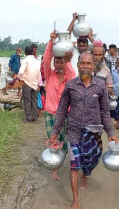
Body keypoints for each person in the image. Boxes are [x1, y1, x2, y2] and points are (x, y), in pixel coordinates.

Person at [49, 52, 118, 209]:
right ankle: (75, 200)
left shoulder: (100, 86)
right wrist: (55, 131)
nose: (86, 66)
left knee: (92, 159)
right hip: (73, 131)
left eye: (89, 63)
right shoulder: (71, 85)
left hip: (93, 133)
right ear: (78, 65)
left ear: (93, 65)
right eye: (82, 63)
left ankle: (87, 173)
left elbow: (105, 112)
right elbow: (61, 111)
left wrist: (110, 132)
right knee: (74, 165)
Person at [44, 30, 76, 181]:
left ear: (65, 62)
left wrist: (69, 62)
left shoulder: (70, 77)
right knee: (53, 139)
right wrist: (51, 42)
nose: (58, 63)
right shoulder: (49, 74)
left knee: (68, 139)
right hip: (51, 113)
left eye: (61, 61)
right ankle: (54, 169)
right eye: (56, 61)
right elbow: (45, 60)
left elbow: (73, 75)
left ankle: (70, 163)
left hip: (67, 113)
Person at [18, 46, 41, 122]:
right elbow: (39, 74)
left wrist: (19, 79)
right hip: (35, 83)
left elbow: (21, 71)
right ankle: (34, 117)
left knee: (27, 101)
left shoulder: (25, 60)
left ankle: (29, 118)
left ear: (25, 52)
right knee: (34, 100)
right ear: (33, 52)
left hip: (27, 82)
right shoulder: (37, 61)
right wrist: (37, 83)